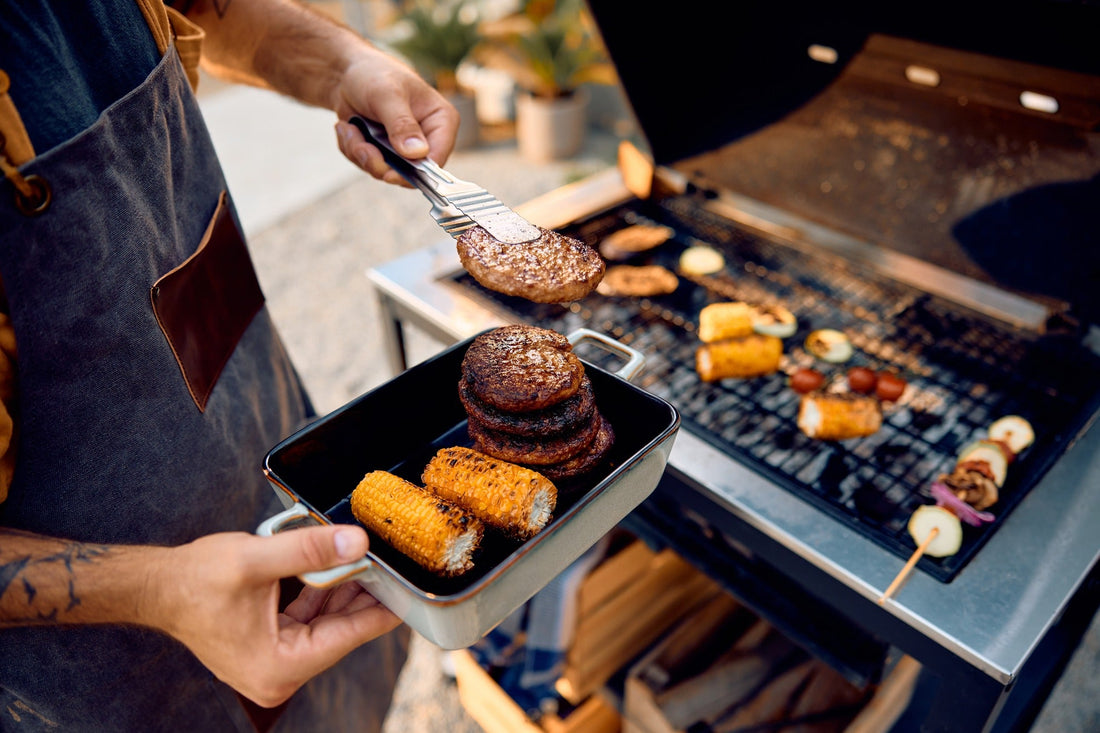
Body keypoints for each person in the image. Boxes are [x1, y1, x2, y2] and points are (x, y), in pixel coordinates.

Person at [0, 0, 459, 730]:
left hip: (257, 434)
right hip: (107, 668)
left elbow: (211, 11)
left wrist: (347, 63)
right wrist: (157, 588)